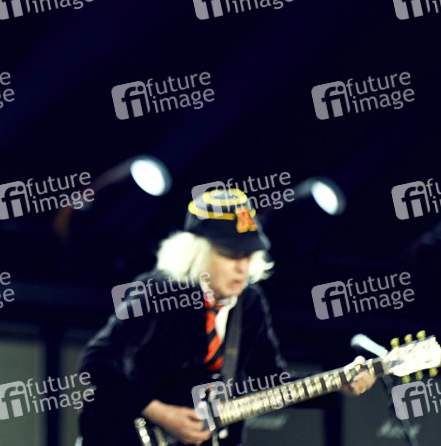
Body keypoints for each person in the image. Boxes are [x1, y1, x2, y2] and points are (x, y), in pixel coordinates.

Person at [77, 188, 375, 446]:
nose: (242, 267)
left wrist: (340, 383)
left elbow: (271, 383)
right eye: (231, 254)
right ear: (199, 252)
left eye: (249, 254)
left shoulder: (250, 303)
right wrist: (162, 414)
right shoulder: (159, 291)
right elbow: (97, 362)